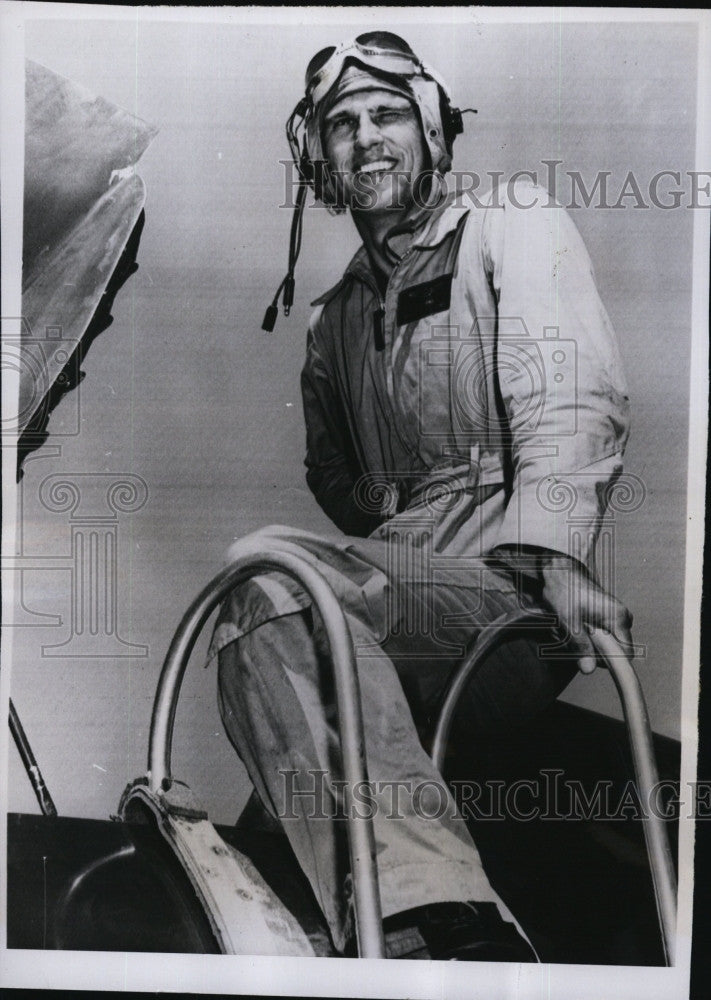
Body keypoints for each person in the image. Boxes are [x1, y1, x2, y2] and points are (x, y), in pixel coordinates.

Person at [208, 31, 633, 960]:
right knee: (266, 619)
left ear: (433, 127)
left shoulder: (509, 221)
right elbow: (338, 481)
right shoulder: (334, 321)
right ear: (316, 154)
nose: (366, 135)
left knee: (271, 576)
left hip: (506, 586)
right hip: (391, 592)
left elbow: (569, 394)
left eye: (388, 112)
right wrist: (391, 539)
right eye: (341, 122)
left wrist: (553, 555)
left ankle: (444, 924)